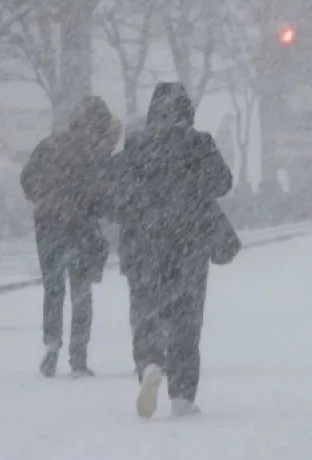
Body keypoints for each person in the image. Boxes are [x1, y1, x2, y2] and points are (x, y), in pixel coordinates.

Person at [113, 83, 233, 418]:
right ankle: (182, 394)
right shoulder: (199, 143)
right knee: (186, 318)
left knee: (146, 312)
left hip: (142, 244)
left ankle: (150, 364)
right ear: (188, 111)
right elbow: (223, 182)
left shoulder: (136, 146)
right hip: (188, 244)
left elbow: (115, 193)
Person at [20, 96, 118, 378]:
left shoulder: (49, 145)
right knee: (81, 293)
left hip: (48, 225)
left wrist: (44, 199)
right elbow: (102, 193)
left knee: (53, 289)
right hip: (80, 227)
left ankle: (51, 344)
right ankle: (78, 357)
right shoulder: (93, 154)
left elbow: (27, 178)